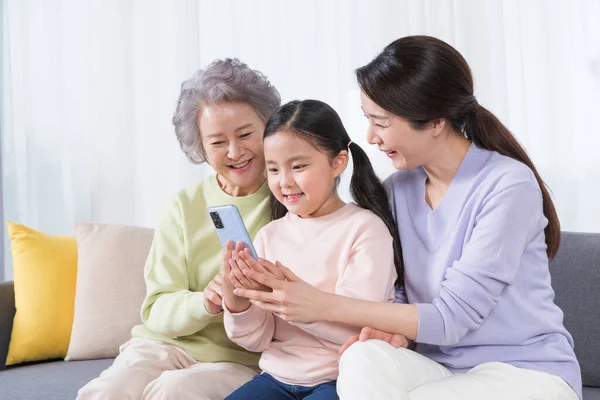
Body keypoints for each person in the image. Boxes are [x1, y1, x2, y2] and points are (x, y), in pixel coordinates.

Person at [232, 36, 582, 400]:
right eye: (368, 121)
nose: (370, 137)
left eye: (380, 123)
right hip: (438, 369)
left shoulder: (507, 185)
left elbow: (451, 319)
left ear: (434, 121)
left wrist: (319, 304)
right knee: (361, 357)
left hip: (522, 373)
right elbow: (399, 291)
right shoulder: (399, 189)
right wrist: (393, 331)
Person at [77, 58, 281, 400]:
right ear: (200, 146)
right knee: (111, 390)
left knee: (176, 391)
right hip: (161, 345)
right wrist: (207, 301)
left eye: (245, 134)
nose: (235, 151)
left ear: (269, 127)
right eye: (217, 142)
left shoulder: (291, 199)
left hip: (241, 361)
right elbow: (156, 309)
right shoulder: (183, 206)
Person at [221, 99, 402, 400]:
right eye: (274, 169)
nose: (285, 182)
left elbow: (359, 332)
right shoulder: (269, 235)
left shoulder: (364, 230)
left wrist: (291, 302)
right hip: (275, 377)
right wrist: (237, 300)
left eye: (299, 166)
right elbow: (257, 339)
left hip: (340, 379)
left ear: (338, 162)